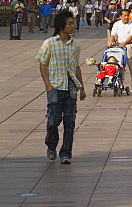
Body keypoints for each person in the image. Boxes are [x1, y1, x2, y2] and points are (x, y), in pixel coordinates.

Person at [36, 10, 86, 164]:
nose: (73, 26)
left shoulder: (75, 46)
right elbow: (42, 64)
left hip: (71, 86)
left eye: (73, 23)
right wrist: (48, 85)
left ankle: (66, 153)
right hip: (55, 87)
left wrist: (82, 87)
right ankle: (51, 145)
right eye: (70, 23)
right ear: (61, 25)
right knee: (53, 120)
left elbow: (77, 67)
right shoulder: (49, 43)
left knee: (70, 121)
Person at [110, 8, 132, 94]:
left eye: (127, 15)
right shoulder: (116, 24)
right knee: (119, 67)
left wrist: (125, 43)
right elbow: (112, 35)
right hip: (119, 47)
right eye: (124, 16)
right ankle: (119, 84)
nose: (126, 17)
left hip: (129, 46)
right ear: (120, 16)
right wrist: (111, 42)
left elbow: (131, 36)